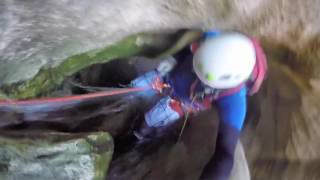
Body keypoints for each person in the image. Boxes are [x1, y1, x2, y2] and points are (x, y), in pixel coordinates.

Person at [130, 31, 267, 180]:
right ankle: (139, 130)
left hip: (181, 100)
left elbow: (225, 153)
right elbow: (188, 44)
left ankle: (140, 137)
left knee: (149, 121)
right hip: (167, 75)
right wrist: (172, 59)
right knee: (133, 89)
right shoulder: (215, 39)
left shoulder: (234, 101)